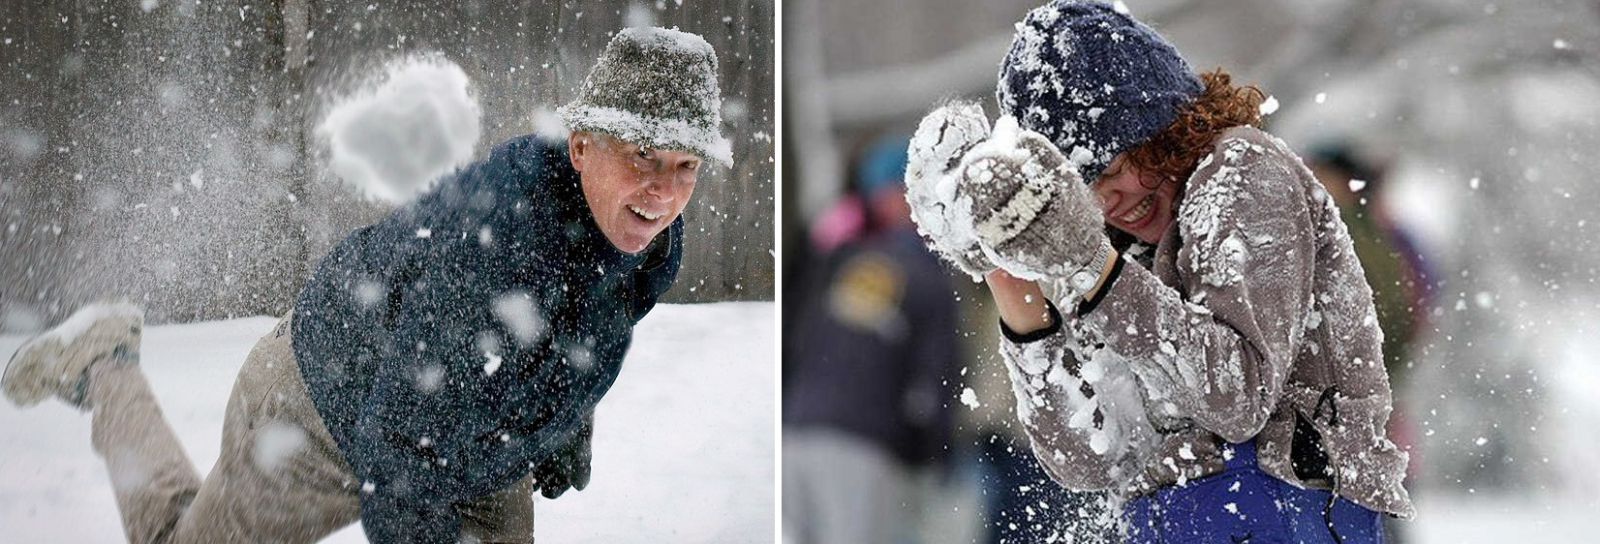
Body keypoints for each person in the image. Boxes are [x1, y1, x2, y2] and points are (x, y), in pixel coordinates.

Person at [1, 26, 730, 543]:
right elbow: (398, 447)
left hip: (468, 430)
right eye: (641, 155)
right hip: (323, 408)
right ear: (581, 147)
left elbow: (584, 322)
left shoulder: (645, 241)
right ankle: (106, 364)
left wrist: (567, 419)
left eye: (684, 166)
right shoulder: (494, 249)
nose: (662, 190)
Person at [904, 1, 1413, 542]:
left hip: (1289, 511)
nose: (1104, 203)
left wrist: (1090, 265)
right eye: (1078, 188)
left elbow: (1237, 396)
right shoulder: (1109, 253)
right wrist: (1008, 275)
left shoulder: (1243, 170)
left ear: (1163, 125)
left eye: (1111, 167)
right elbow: (1091, 461)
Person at [783, 135, 960, 544]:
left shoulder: (832, 254)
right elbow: (937, 375)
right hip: (866, 445)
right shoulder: (926, 273)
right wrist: (935, 456)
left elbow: (793, 339)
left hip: (796, 431)